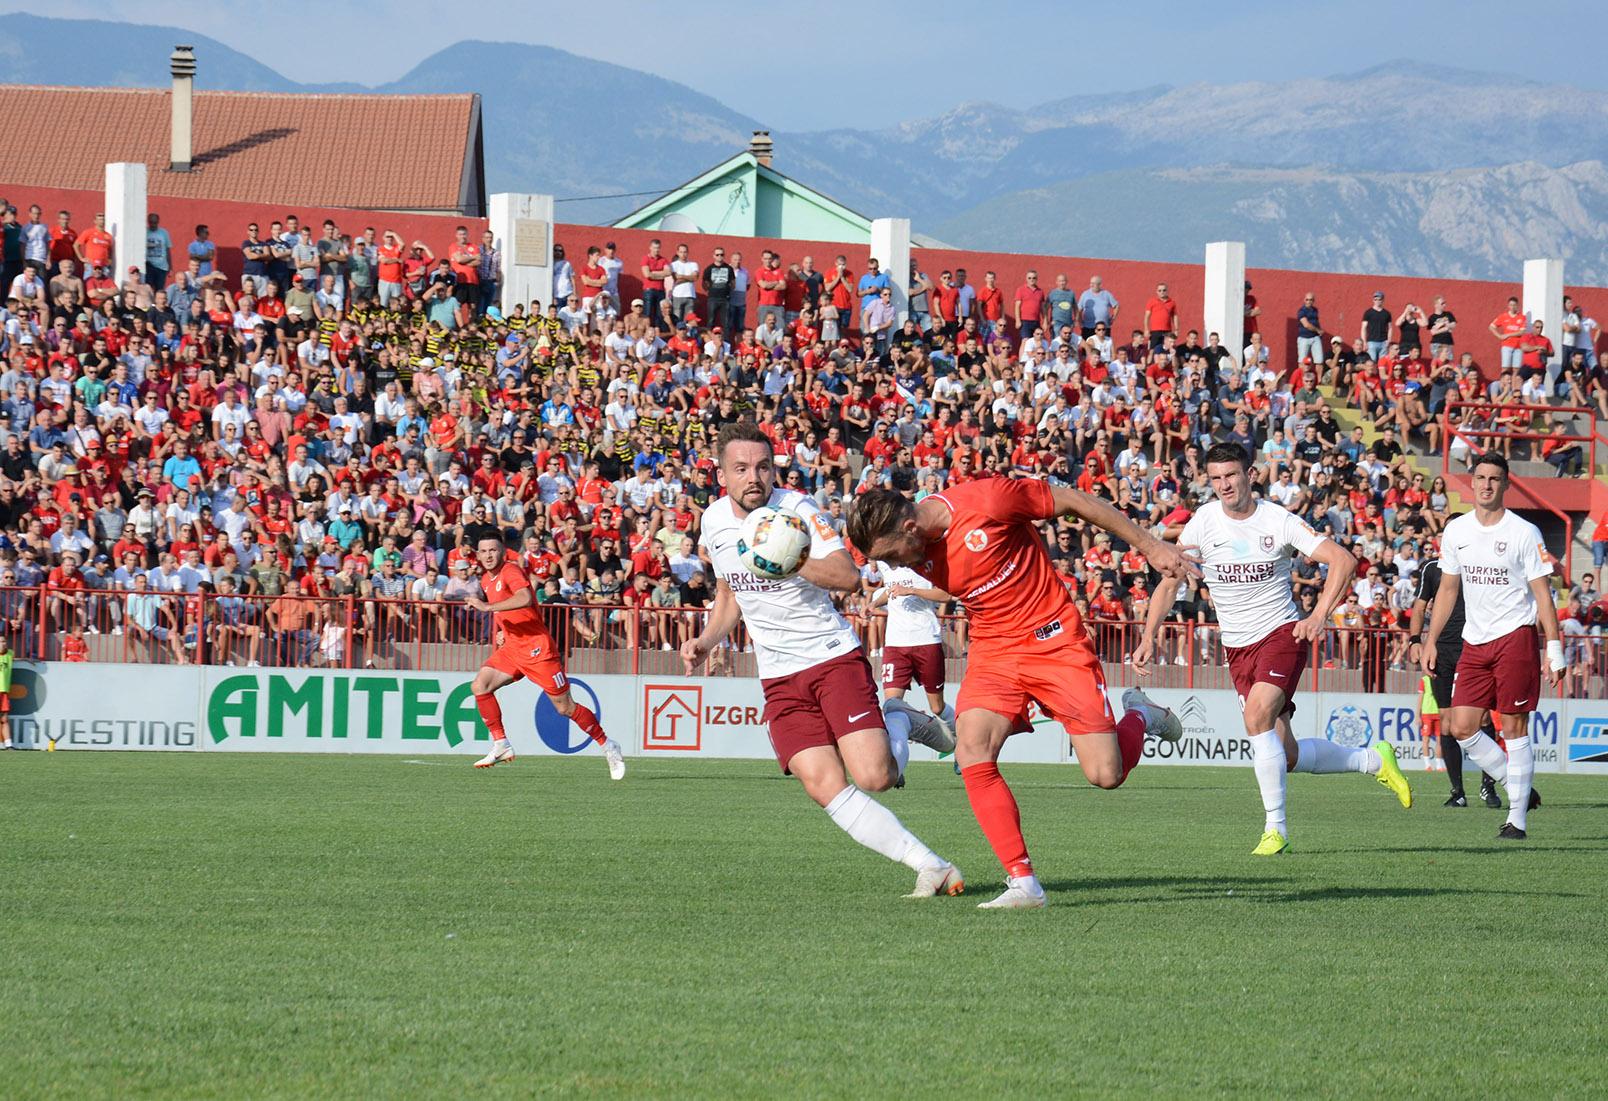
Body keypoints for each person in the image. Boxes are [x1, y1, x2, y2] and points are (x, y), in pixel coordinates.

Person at [848, 478, 1195, 910]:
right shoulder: (913, 554)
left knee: (1106, 774)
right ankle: (1024, 882)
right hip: (994, 649)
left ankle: (1141, 715)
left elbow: (1074, 500)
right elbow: (961, 580)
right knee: (972, 748)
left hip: (1055, 643)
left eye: (889, 555)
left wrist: (1151, 546)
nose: (893, 565)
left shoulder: (987, 501)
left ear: (910, 528)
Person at [681, 422, 963, 899]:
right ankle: (929, 865)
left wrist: (785, 559)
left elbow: (847, 575)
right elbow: (730, 594)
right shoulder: (713, 522)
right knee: (822, 784)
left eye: (764, 467)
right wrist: (707, 641)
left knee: (875, 777)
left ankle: (898, 719)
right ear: (721, 474)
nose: (755, 477)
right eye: (742, 468)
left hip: (830, 658)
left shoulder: (797, 510)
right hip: (778, 676)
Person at [1133, 442, 1412, 856]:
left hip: (1282, 633)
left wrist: (1317, 616)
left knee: (1256, 715)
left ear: (1250, 475)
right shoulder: (1203, 523)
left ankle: (1275, 828)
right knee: (1287, 753)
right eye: (1216, 478)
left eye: (1231, 475)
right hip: (1237, 647)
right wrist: (1147, 635)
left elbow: (1342, 560)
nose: (1225, 485)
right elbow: (1170, 582)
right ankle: (1373, 760)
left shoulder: (1278, 521)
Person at [1423, 453, 1562, 840]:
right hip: (1474, 639)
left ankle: (1516, 820)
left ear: (1506, 485)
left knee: (1514, 727)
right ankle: (1519, 788)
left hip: (1515, 637)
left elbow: (1543, 595)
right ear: (1472, 483)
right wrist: (1431, 639)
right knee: (1460, 726)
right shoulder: (1457, 532)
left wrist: (1555, 648)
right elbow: (1448, 589)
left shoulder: (1524, 532)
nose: (1486, 485)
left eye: (1494, 479)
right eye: (1480, 478)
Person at [464, 535, 625, 778]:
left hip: (538, 650)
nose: (488, 555)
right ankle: (501, 744)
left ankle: (608, 745)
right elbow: (504, 608)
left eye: (493, 550)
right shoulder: (487, 579)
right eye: (483, 551)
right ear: (477, 555)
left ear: (502, 552)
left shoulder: (510, 570)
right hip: (513, 648)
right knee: (480, 686)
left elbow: (524, 598)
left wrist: (487, 608)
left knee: (565, 708)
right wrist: (502, 633)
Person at [1408, 541, 1512, 808]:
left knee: (1485, 717)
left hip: (1475, 648)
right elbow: (1419, 606)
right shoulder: (1432, 568)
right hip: (1442, 651)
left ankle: (1488, 787)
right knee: (1445, 721)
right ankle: (1457, 791)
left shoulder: (1481, 565)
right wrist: (1414, 641)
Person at [871, 563, 954, 726]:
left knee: (937, 707)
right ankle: (896, 747)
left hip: (926, 639)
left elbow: (945, 595)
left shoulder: (922, 559)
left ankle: (956, 733)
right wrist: (873, 604)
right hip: (895, 643)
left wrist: (911, 590)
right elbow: (890, 591)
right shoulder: (882, 563)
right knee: (891, 705)